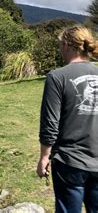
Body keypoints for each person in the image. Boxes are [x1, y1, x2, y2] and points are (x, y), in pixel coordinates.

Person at [37, 25, 98, 212]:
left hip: (69, 161)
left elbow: (50, 123)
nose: (59, 49)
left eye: (60, 45)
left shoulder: (57, 77)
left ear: (67, 45)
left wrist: (44, 157)